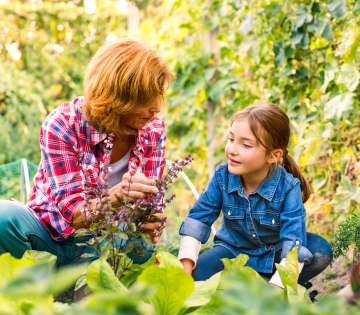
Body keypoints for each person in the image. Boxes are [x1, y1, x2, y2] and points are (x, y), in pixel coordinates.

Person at [0, 39, 173, 267]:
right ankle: (33, 287)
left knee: (141, 247)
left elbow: (149, 209)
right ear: (116, 96)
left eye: (158, 95)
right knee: (4, 218)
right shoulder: (63, 124)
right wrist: (117, 196)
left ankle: (98, 292)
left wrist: (150, 222)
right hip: (51, 240)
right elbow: (75, 216)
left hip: (106, 245)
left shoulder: (153, 130)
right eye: (145, 97)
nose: (157, 108)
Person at [178, 103, 333, 288]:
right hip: (232, 251)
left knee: (319, 251)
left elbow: (293, 245)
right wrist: (185, 270)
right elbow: (199, 220)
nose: (232, 149)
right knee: (199, 273)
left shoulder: (288, 188)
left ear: (273, 156)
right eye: (231, 139)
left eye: (246, 144)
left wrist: (274, 293)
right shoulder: (222, 177)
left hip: (275, 253)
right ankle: (249, 284)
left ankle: (275, 284)